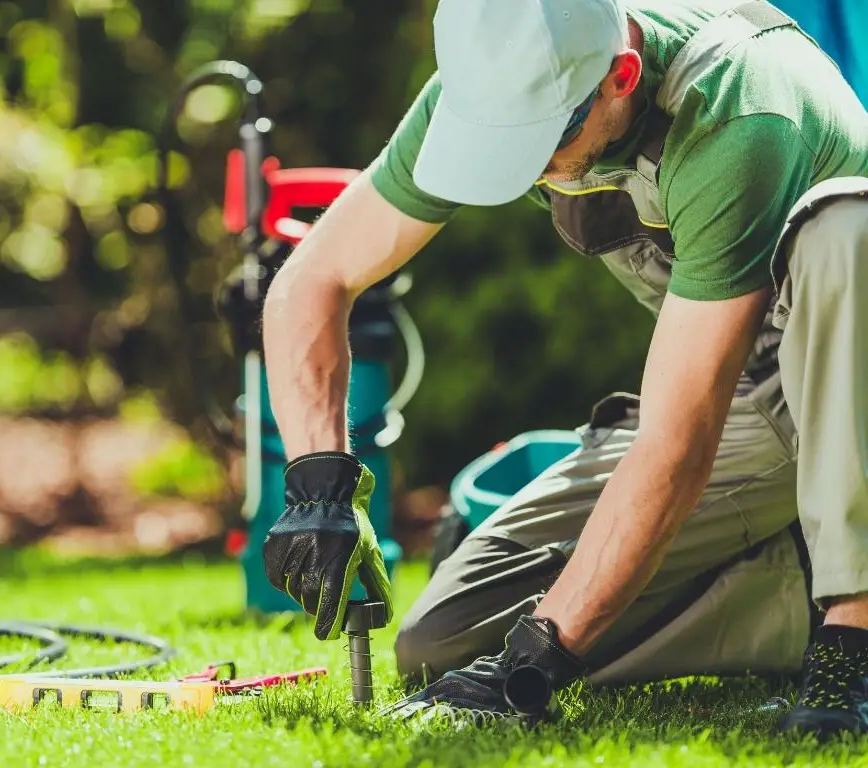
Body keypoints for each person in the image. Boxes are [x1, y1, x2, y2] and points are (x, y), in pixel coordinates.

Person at [259, 0, 868, 738]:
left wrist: (544, 656)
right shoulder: (497, 76)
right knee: (445, 640)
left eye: (542, 139)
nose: (529, 168)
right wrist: (316, 482)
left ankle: (851, 630)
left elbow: (677, 446)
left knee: (849, 227)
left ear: (622, 76)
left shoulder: (740, 113)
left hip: (846, 391)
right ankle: (804, 584)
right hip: (752, 395)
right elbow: (311, 280)